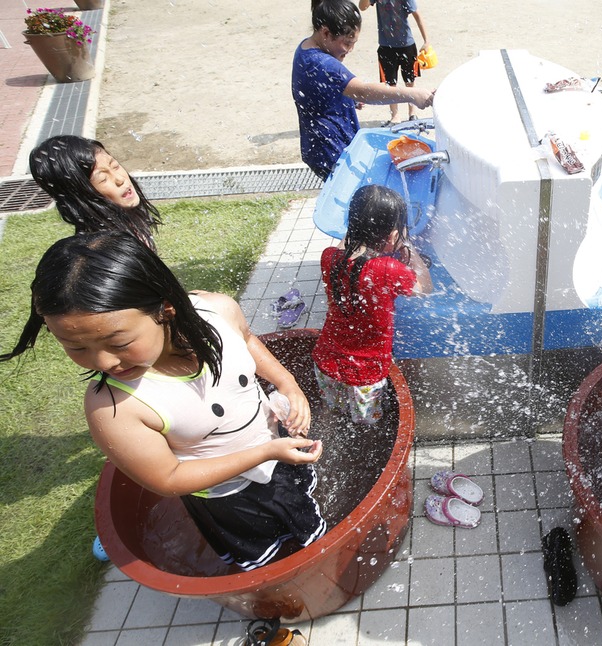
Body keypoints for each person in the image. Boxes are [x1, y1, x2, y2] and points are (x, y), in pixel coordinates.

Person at [0, 232, 325, 571]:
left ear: (165, 309)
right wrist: (264, 452)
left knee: (300, 504)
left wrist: (287, 383)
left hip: (279, 452)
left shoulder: (216, 311)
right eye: (76, 347)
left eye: (118, 341)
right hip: (228, 497)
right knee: (271, 553)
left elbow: (244, 338)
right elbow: (168, 479)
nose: (104, 362)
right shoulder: (114, 407)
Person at [313, 184, 432, 424]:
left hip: (326, 360)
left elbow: (347, 247)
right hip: (365, 374)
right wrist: (407, 245)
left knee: (333, 412)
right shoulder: (388, 270)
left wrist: (361, 229)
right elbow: (425, 288)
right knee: (366, 422)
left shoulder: (328, 258)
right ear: (391, 236)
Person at [292, 0, 435, 180]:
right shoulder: (323, 64)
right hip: (331, 149)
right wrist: (412, 94)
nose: (350, 49)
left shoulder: (306, 48)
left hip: (317, 146)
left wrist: (346, 98)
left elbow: (320, 89)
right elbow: (364, 91)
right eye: (347, 43)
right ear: (326, 33)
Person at [29, 135, 162, 250]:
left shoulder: (126, 227)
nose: (120, 179)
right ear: (82, 194)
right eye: (103, 179)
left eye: (115, 166)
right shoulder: (109, 250)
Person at [358, 0, 430, 125]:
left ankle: (412, 113)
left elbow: (417, 15)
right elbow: (362, 7)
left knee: (410, 81)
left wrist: (426, 41)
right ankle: (395, 116)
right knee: (390, 84)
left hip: (406, 45)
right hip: (386, 47)